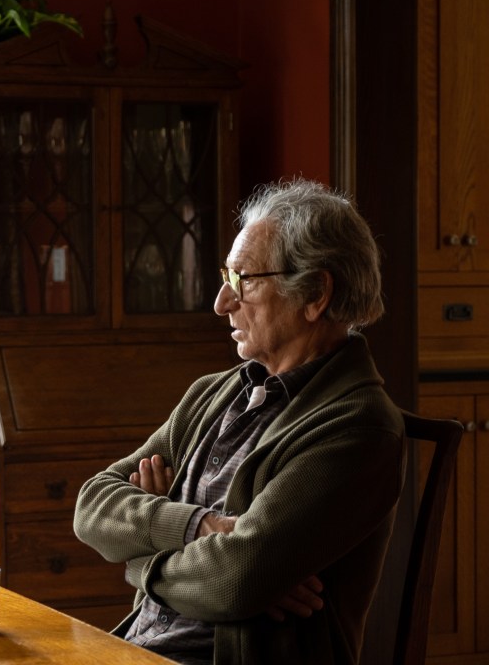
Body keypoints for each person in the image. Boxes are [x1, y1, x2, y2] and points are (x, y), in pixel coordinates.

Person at [73, 179, 405, 665]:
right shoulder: (214, 394)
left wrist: (137, 557)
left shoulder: (358, 428)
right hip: (136, 649)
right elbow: (91, 505)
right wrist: (200, 527)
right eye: (227, 277)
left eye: (244, 280)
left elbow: (235, 583)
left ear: (315, 293)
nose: (222, 302)